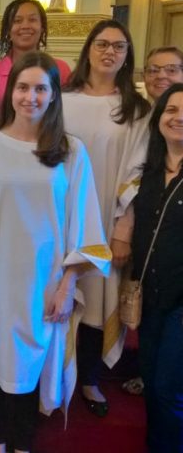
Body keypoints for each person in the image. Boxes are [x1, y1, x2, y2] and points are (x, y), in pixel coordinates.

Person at [0, 52, 110, 453]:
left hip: (45, 282)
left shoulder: (71, 151)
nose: (30, 97)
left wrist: (67, 286)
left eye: (40, 88)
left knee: (32, 367)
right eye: (22, 87)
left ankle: (22, 444)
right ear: (10, 91)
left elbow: (84, 221)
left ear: (54, 95)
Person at [62, 19, 151, 416]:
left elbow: (137, 172)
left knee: (98, 299)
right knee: (59, 293)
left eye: (119, 46)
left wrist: (123, 229)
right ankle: (53, 375)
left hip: (105, 216)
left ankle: (89, 379)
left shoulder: (137, 110)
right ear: (88, 49)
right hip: (62, 216)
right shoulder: (61, 99)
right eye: (102, 44)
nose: (109, 52)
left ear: (127, 56)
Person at [130, 83, 183, 453]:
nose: (178, 118)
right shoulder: (146, 171)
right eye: (171, 110)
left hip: (182, 302)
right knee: (151, 381)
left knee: (167, 388)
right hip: (150, 296)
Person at [0, 0, 71, 130]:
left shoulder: (60, 68)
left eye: (32, 19)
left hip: (49, 140)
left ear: (42, 28)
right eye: (17, 21)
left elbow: (67, 117)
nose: (25, 26)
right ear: (8, 30)